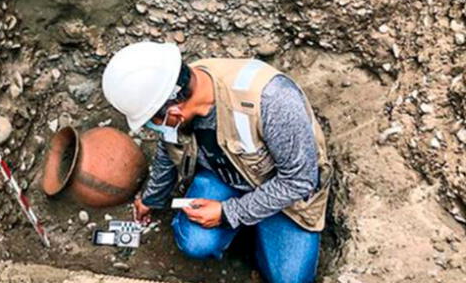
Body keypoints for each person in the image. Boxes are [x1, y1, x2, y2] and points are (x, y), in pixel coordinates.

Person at [102, 41, 332, 283]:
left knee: (290, 279)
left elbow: (299, 181)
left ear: (175, 113)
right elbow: (168, 146)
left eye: (153, 122)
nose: (154, 128)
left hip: (283, 192)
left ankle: (258, 240)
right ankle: (247, 229)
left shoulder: (272, 100)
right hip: (225, 176)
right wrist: (153, 198)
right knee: (195, 242)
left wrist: (228, 212)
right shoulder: (176, 85)